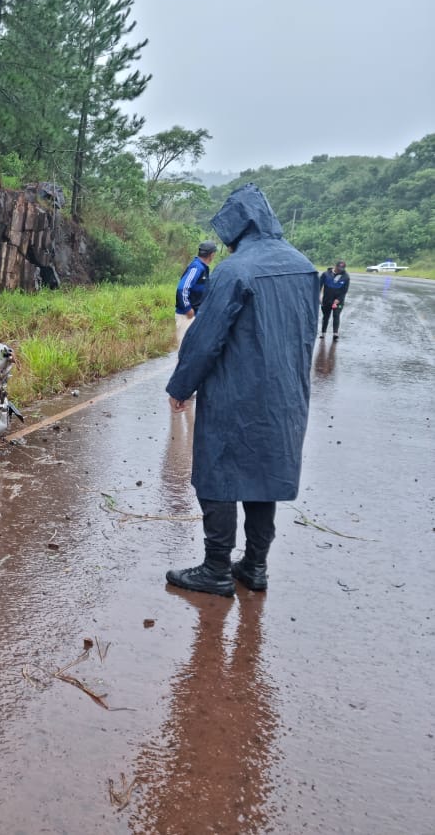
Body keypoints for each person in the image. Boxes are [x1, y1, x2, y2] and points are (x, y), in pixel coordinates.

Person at [164, 184, 318, 597]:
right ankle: (255, 566)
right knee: (262, 478)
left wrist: (182, 386)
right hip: (285, 396)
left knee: (217, 476)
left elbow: (206, 337)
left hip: (235, 393)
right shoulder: (304, 267)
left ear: (239, 226)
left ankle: (215, 568)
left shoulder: (236, 270)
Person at [174, 241, 217, 345]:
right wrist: (188, 309)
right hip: (187, 317)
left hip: (197, 316)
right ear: (212, 255)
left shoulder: (202, 268)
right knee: (185, 351)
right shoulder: (197, 267)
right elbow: (182, 288)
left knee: (194, 352)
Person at [318, 260, 350, 339]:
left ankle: (335, 334)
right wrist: (319, 297)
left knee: (336, 315)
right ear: (335, 266)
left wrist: (338, 300)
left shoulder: (346, 277)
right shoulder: (326, 274)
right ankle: (323, 333)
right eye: (339, 268)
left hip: (338, 301)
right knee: (326, 316)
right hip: (326, 299)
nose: (340, 270)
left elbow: (344, 291)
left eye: (342, 269)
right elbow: (319, 286)